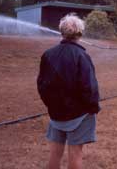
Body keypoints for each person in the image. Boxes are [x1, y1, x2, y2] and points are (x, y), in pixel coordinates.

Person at [37, 14, 100, 169]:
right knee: (75, 154)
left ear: (62, 32)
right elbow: (89, 87)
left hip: (56, 114)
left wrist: (51, 105)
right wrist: (93, 107)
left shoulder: (48, 55)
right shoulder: (82, 56)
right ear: (80, 33)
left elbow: (41, 85)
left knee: (55, 154)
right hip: (79, 116)